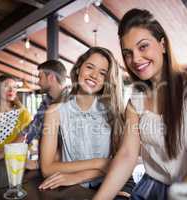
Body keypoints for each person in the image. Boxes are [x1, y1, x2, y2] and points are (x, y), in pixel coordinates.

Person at [93, 8, 187, 200]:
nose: (135, 59)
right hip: (151, 190)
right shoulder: (135, 101)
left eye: (143, 47)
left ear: (163, 44)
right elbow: (126, 156)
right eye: (127, 53)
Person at [38, 47, 125, 191]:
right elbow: (47, 169)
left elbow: (122, 163)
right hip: (69, 189)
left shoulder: (113, 111)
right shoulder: (54, 111)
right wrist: (100, 163)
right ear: (78, 68)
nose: (94, 75)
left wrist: (80, 176)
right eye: (90, 67)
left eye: (102, 73)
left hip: (108, 187)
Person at [16, 60, 68, 170]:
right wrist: (8, 150)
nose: (38, 82)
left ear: (51, 77)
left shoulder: (71, 102)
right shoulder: (46, 101)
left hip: (67, 171)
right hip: (48, 166)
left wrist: (37, 164)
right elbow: (31, 129)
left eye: (40, 77)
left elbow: (69, 146)